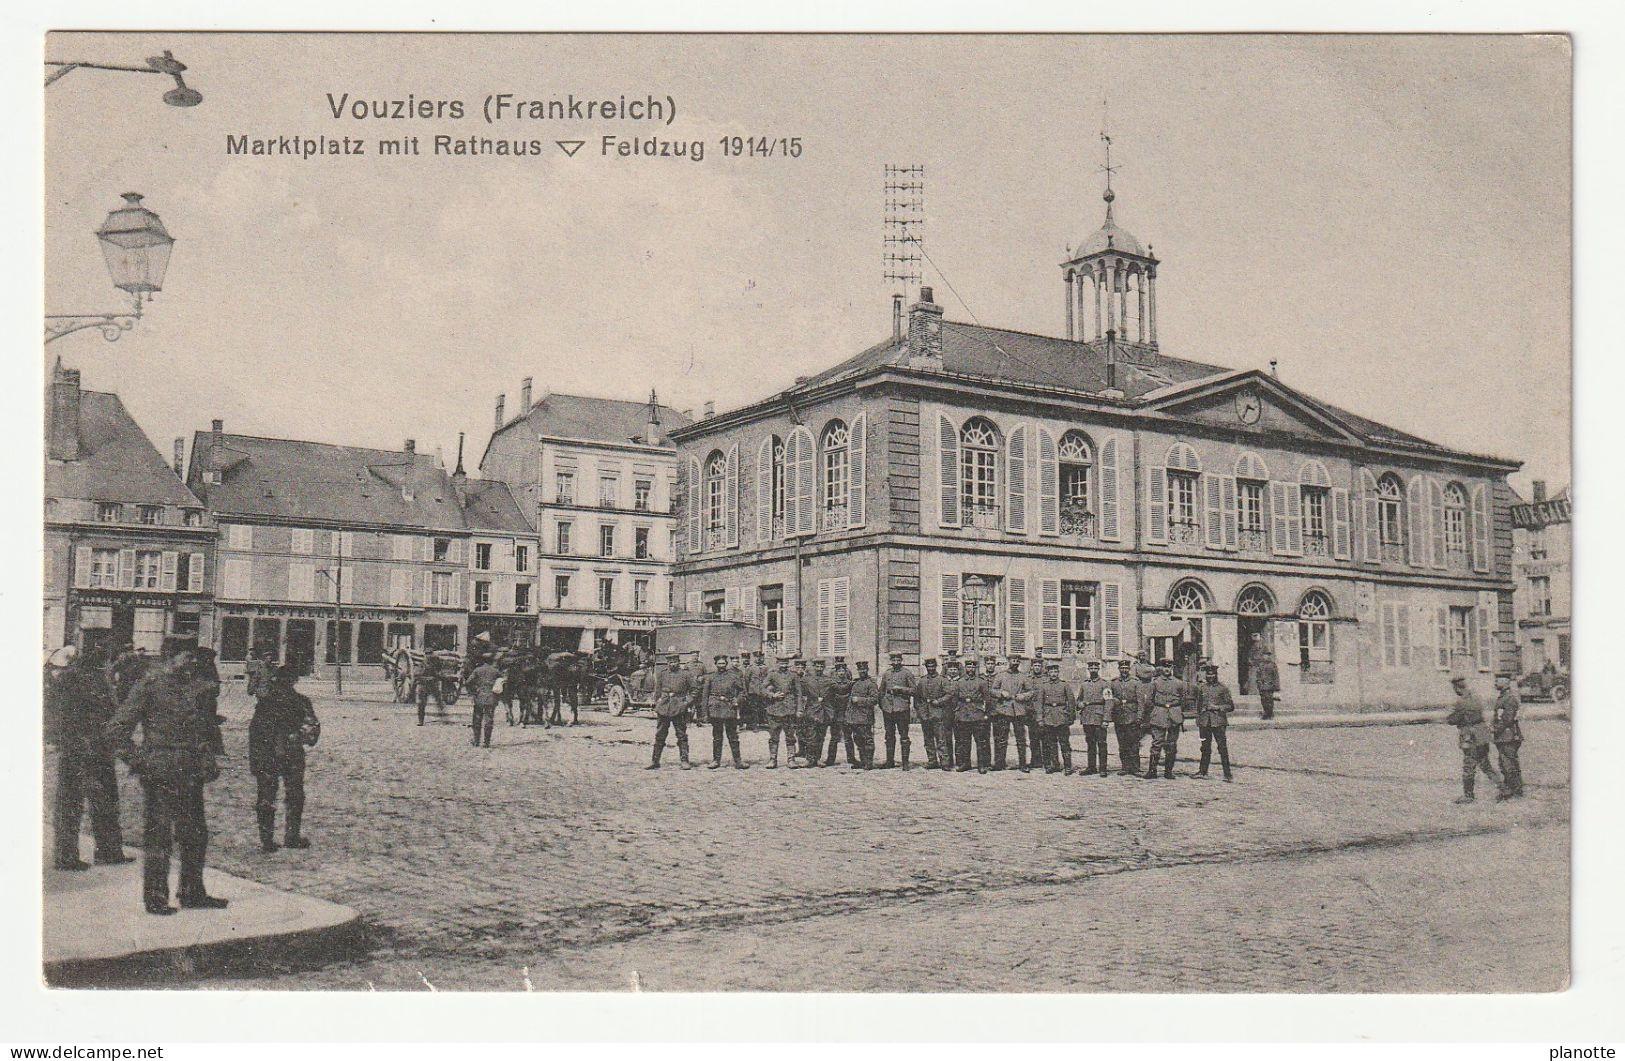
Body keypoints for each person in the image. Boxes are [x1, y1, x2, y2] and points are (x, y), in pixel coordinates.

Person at [105, 638, 226, 915]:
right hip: (160, 771)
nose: (193, 662)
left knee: (196, 834)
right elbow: (116, 731)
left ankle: (192, 892)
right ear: (170, 656)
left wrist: (207, 758)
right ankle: (156, 898)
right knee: (159, 836)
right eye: (188, 656)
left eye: (194, 657)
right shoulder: (150, 685)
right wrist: (140, 761)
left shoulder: (193, 686)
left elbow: (202, 729)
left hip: (190, 771)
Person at [47, 646, 131, 871]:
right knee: (73, 802)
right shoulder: (76, 679)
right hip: (81, 749)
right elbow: (57, 713)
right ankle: (70, 856)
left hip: (95, 748)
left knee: (100, 801)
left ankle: (107, 851)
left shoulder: (94, 676)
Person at [249, 663, 320, 852]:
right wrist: (299, 737)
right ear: (294, 681)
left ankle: (267, 839)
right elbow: (312, 729)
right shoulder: (301, 701)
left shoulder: (265, 703)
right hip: (292, 753)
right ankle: (291, 836)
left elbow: (254, 732)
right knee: (295, 795)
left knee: (266, 796)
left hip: (267, 755)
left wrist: (254, 761)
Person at [1443, 674, 1508, 803]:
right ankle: (1504, 788)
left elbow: (1452, 719)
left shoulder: (1461, 702)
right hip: (1482, 736)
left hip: (1470, 737)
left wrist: (1449, 717)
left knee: (1469, 766)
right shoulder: (1477, 698)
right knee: (1486, 765)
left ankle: (1468, 795)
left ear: (1457, 688)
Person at [648, 653, 697, 769]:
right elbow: (657, 690)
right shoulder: (663, 674)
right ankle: (655, 761)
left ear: (678, 662)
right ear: (667, 663)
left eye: (675, 662)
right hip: (664, 707)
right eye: (670, 662)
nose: (672, 664)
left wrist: (686, 703)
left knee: (681, 735)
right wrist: (657, 704)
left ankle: (684, 760)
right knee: (660, 735)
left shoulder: (686, 674)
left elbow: (695, 690)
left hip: (679, 708)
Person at [703, 654, 749, 770]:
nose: (721, 666)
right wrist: (705, 713)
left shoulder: (733, 676)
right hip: (715, 708)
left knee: (733, 736)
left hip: (729, 708)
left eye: (723, 663)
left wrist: (737, 700)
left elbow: (742, 692)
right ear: (716, 665)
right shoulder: (710, 677)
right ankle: (716, 760)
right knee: (717, 736)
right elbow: (705, 696)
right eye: (719, 664)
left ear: (726, 664)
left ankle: (738, 761)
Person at [1142, 660, 1186, 781]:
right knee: (1157, 743)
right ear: (1161, 668)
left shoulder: (1179, 683)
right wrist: (1153, 713)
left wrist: (1178, 711)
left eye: (1169, 667)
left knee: (1171, 744)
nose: (1167, 669)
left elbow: (1183, 700)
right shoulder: (1155, 683)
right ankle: (1152, 770)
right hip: (1159, 714)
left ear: (1172, 668)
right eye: (1165, 667)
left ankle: (1168, 771)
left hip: (1174, 715)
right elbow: (1149, 701)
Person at [1193, 661, 1236, 781]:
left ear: (1216, 674)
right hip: (1205, 722)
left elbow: (1230, 706)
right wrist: (1198, 718)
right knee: (1205, 747)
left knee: (1222, 747)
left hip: (1219, 722)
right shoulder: (1202, 688)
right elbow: (1198, 705)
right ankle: (1202, 772)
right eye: (1208, 674)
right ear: (1206, 675)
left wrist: (1217, 707)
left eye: (1212, 674)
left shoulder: (1223, 688)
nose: (1210, 676)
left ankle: (1227, 774)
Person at [1033, 660, 1077, 774]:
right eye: (1051, 672)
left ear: (1058, 673)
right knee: (1050, 743)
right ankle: (1054, 765)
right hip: (1048, 717)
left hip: (1062, 717)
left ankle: (1068, 766)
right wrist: (1040, 719)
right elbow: (1039, 703)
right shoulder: (1044, 686)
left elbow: (1071, 702)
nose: (1053, 674)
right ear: (1048, 673)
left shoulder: (1064, 685)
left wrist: (1070, 717)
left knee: (1064, 743)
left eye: (1055, 672)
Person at [990, 655, 1032, 771]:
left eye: (1017, 661)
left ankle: (1023, 764)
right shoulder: (1001, 675)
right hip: (1004, 709)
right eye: (1013, 660)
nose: (1015, 663)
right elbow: (993, 690)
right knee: (1001, 738)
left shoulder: (1023, 676)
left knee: (1021, 739)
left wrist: (1023, 696)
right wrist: (1001, 693)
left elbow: (1030, 691)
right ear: (1009, 661)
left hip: (1018, 711)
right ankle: (999, 763)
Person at [878, 652, 917, 769]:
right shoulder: (886, 674)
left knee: (904, 736)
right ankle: (890, 761)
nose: (896, 662)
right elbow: (881, 691)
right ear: (891, 661)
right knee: (889, 735)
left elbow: (914, 691)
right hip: (888, 709)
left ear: (901, 660)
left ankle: (905, 763)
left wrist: (901, 689)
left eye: (898, 660)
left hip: (902, 709)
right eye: (893, 660)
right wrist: (883, 704)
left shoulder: (907, 673)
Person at [954, 658, 992, 773]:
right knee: (964, 742)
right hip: (963, 715)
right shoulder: (959, 682)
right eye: (968, 667)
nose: (970, 669)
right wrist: (957, 712)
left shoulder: (981, 682)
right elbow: (955, 699)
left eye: (973, 667)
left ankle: (982, 765)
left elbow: (988, 699)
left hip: (977, 715)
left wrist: (986, 714)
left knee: (981, 742)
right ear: (965, 668)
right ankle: (965, 764)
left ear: (975, 668)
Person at [1075, 659, 1112, 777]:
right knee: (1090, 743)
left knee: (1101, 743)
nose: (1093, 670)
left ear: (1098, 669)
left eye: (1095, 668)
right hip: (1087, 716)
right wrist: (1079, 704)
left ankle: (1102, 768)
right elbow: (1079, 700)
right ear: (1088, 669)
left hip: (1099, 716)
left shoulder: (1105, 684)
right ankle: (1091, 767)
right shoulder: (1084, 684)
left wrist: (1106, 719)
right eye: (1091, 668)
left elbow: (1109, 702)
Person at [763, 656, 800, 768]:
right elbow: (762, 688)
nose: (783, 666)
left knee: (790, 736)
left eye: (785, 663)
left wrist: (799, 709)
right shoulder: (772, 675)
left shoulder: (793, 675)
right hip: (774, 709)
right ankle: (772, 759)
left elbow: (798, 693)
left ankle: (791, 759)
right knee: (774, 736)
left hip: (789, 709)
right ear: (777, 663)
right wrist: (772, 695)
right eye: (781, 663)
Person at [797, 659, 834, 768]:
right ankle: (809, 759)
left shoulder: (829, 680)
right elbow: (799, 691)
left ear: (824, 667)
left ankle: (817, 758)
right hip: (811, 711)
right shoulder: (806, 680)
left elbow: (835, 692)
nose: (819, 668)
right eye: (817, 666)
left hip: (824, 712)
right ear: (813, 667)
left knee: (821, 736)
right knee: (810, 736)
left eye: (821, 666)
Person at [1492, 674, 1525, 798]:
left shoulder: (1509, 699)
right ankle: (1510, 788)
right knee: (1504, 762)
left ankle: (1515, 790)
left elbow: (1507, 719)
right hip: (1504, 736)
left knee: (1509, 763)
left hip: (1509, 736)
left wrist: (1494, 729)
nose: (1495, 682)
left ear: (1505, 682)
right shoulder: (1503, 697)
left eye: (1498, 680)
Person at [845, 661, 880, 770]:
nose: (862, 671)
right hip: (854, 717)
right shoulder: (855, 683)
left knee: (867, 740)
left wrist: (859, 700)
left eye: (864, 669)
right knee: (858, 739)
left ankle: (868, 763)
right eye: (860, 670)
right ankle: (862, 761)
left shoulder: (871, 683)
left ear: (867, 670)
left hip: (865, 717)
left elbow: (875, 699)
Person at [930, 655, 963, 770]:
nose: (953, 671)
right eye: (950, 669)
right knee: (946, 737)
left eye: (955, 669)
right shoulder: (943, 680)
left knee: (959, 738)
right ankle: (948, 761)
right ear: (947, 670)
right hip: (946, 712)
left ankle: (960, 761)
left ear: (958, 670)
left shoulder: (961, 681)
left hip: (959, 712)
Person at [913, 657, 946, 769]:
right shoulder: (922, 681)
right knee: (928, 739)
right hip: (925, 715)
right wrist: (921, 712)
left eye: (932, 666)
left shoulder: (942, 680)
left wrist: (939, 701)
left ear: (936, 667)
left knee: (941, 739)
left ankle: (944, 762)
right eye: (928, 667)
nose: (930, 669)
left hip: (938, 713)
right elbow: (917, 698)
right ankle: (932, 761)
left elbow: (948, 695)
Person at [824, 657, 854, 767]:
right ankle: (830, 759)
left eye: (843, 671)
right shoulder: (831, 685)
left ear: (846, 672)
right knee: (834, 737)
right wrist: (831, 714)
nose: (841, 673)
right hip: (836, 714)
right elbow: (828, 700)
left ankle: (851, 758)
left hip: (846, 713)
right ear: (836, 672)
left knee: (848, 737)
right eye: (839, 671)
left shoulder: (850, 684)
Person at [467, 655, 502, 748]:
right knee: (489, 720)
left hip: (479, 697)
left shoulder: (477, 670)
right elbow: (502, 682)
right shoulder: (496, 671)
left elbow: (468, 682)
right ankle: (486, 742)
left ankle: (476, 741)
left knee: (477, 719)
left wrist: (474, 691)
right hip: (491, 697)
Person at [1251, 635, 1280, 720]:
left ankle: (1269, 714)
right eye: (1264, 655)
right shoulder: (1261, 665)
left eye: (1267, 655)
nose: (1266, 657)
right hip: (1262, 686)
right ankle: (1266, 713)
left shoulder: (1272, 665)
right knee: (1263, 700)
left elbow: (1276, 676)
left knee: (1269, 701)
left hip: (1270, 686)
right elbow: (1258, 675)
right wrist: (1258, 684)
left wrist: (1277, 687)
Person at [416, 650, 446, 726]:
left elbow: (439, 673)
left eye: (430, 654)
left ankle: (443, 717)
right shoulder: (421, 665)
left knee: (439, 700)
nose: (429, 656)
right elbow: (418, 675)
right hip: (423, 686)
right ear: (425, 656)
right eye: (427, 655)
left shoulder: (435, 663)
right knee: (421, 704)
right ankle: (420, 721)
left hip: (433, 685)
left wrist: (439, 675)